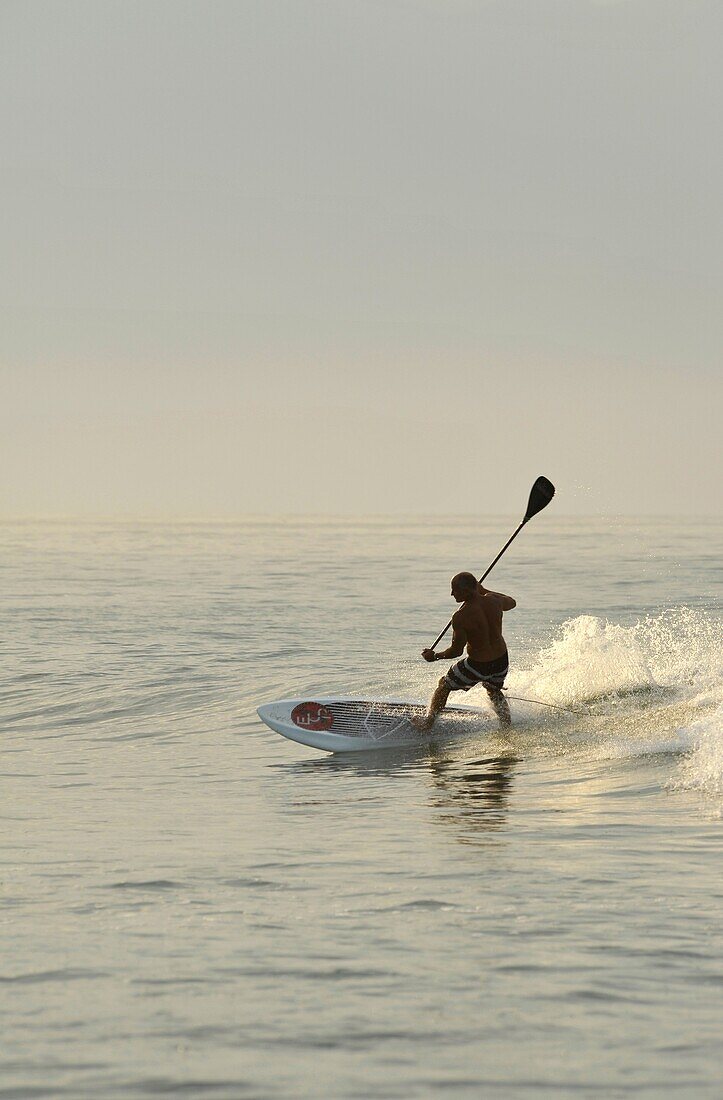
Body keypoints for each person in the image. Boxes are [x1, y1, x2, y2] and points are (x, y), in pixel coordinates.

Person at [412, 572, 516, 731]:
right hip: (501, 660)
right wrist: (483, 590)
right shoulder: (494, 600)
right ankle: (506, 726)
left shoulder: (460, 616)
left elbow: (456, 651)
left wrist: (435, 656)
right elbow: (512, 602)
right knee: (493, 689)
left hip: (478, 665)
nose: (452, 593)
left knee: (444, 685)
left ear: (467, 591)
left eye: (455, 590)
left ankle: (428, 722)